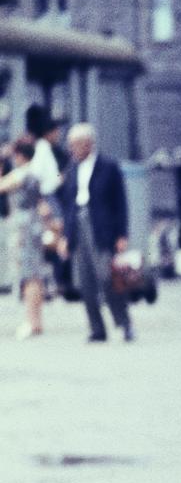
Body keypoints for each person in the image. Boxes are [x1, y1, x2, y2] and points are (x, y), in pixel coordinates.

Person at [57, 123, 135, 343]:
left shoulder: (108, 167)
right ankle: (97, 328)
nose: (72, 149)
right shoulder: (71, 168)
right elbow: (68, 204)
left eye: (76, 144)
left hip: (101, 227)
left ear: (89, 144)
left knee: (108, 277)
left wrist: (122, 234)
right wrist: (65, 236)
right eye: (70, 145)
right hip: (78, 226)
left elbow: (120, 203)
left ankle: (125, 323)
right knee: (85, 281)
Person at [0, 135, 52, 337]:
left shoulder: (21, 174)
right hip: (33, 223)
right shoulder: (33, 173)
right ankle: (36, 321)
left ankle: (31, 321)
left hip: (23, 226)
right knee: (35, 275)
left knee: (28, 275)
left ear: (19, 155)